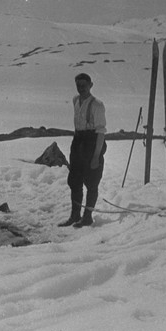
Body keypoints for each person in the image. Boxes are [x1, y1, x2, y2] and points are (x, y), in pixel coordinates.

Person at [59, 73, 107, 228]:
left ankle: (87, 217)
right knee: (74, 181)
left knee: (92, 182)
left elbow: (101, 132)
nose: (81, 89)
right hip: (78, 142)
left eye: (84, 86)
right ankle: (75, 215)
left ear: (91, 85)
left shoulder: (97, 105)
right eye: (78, 86)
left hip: (92, 143)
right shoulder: (75, 100)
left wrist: (96, 156)